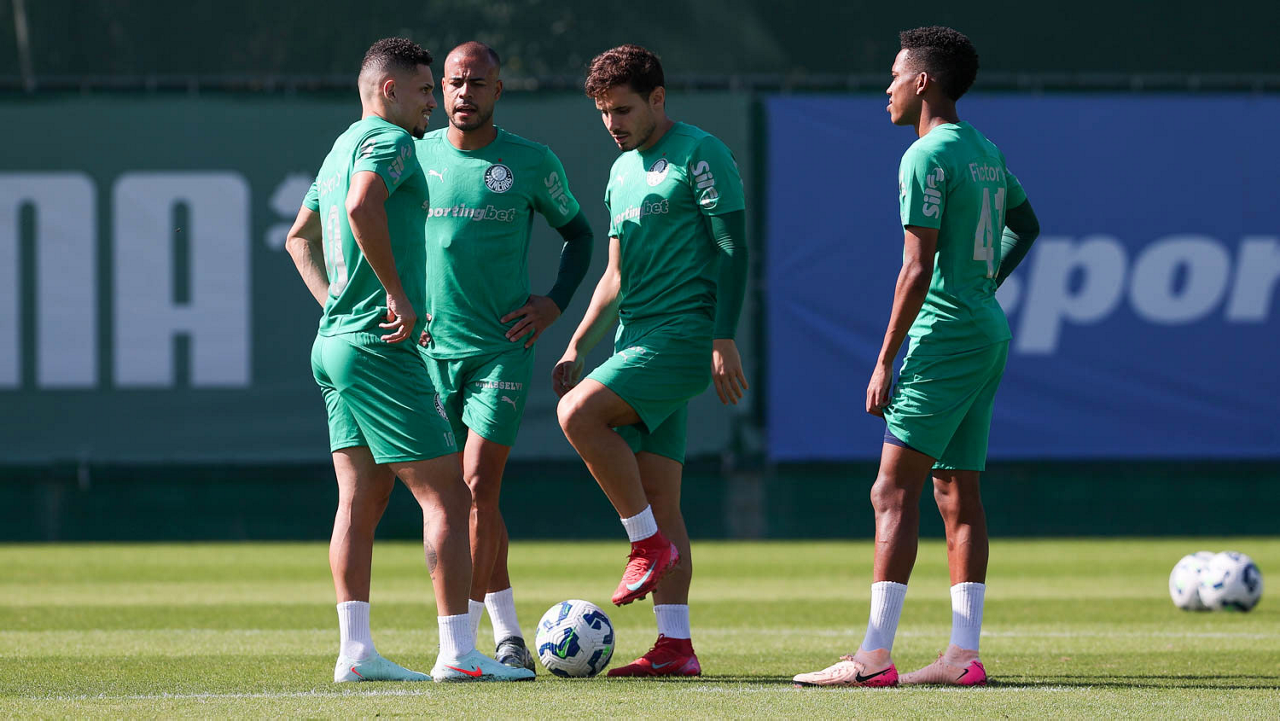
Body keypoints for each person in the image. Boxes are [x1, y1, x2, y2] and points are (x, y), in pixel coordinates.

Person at [792, 26, 1040, 688]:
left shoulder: (925, 155)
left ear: (922, 81)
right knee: (957, 491)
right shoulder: (984, 148)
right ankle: (962, 656)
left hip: (945, 337)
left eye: (896, 75)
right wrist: (984, 283)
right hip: (984, 330)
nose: (888, 87)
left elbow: (916, 266)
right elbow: (1027, 224)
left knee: (891, 488)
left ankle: (873, 656)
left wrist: (884, 360)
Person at [284, 37, 533, 683]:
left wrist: (336, 305)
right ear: (390, 90)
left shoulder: (341, 144)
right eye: (425, 89)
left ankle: (356, 651)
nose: (434, 102)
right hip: (379, 345)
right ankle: (459, 653)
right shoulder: (391, 140)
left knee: (360, 499)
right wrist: (394, 294)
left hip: (335, 344)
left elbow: (298, 239)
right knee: (449, 495)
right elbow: (361, 204)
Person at [554, 44, 750, 678]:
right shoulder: (621, 170)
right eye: (603, 112)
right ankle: (676, 647)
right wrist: (579, 342)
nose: (612, 123)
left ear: (658, 99)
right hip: (634, 338)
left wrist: (723, 336)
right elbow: (614, 275)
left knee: (577, 415)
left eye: (623, 109)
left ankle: (645, 544)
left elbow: (734, 248)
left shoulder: (701, 153)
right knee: (662, 496)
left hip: (684, 337)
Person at [413, 41, 594, 671]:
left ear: (498, 90)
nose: (465, 93)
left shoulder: (530, 161)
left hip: (501, 350)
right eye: (454, 83)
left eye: (477, 83)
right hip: (429, 351)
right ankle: (508, 633)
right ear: (441, 88)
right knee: (455, 499)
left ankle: (461, 644)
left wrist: (554, 304)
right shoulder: (415, 155)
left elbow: (580, 235)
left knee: (476, 486)